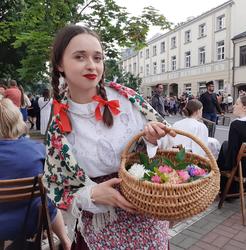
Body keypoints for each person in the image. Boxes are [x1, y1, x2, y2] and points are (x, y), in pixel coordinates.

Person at [43, 25, 173, 249]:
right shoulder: (57, 123)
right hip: (100, 225)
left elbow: (168, 141)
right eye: (79, 57)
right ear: (59, 64)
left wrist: (153, 138)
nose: (91, 65)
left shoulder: (127, 98)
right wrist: (92, 194)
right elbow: (57, 186)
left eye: (97, 57)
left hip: (148, 214)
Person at [0, 98, 71, 249]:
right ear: (17, 120)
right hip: (33, 221)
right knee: (47, 201)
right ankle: (65, 241)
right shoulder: (37, 149)